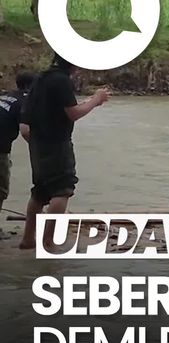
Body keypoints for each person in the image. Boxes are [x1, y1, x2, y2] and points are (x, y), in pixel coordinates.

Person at [18, 54, 109, 250]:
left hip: (37, 141)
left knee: (40, 191)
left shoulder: (41, 78)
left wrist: (36, 143)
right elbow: (73, 113)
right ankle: (48, 242)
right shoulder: (61, 80)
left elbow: (24, 125)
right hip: (57, 143)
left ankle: (28, 239)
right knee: (62, 190)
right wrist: (96, 100)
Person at [0, 72, 35, 215]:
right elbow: (25, 131)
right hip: (0, 149)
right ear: (29, 86)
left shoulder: (7, 96)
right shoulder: (24, 102)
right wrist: (38, 147)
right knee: (0, 189)